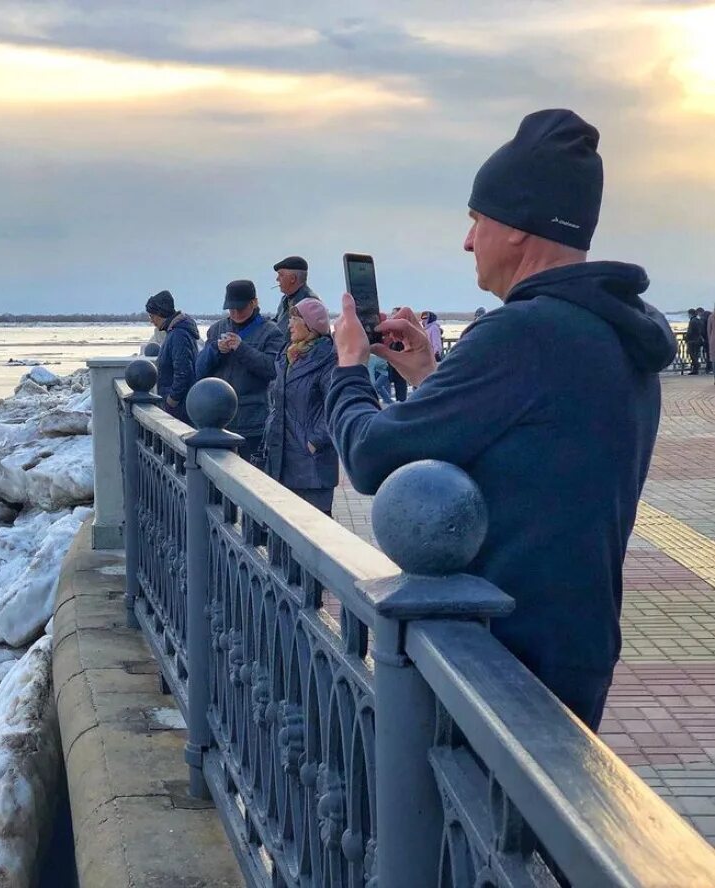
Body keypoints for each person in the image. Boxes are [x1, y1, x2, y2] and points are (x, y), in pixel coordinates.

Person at [326, 109, 676, 731]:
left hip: (499, 657)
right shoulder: (618, 332)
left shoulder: (523, 334)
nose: (467, 242)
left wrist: (350, 367)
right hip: (577, 643)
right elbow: (538, 454)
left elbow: (371, 457)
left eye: (475, 221)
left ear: (517, 229)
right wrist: (430, 378)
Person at [262, 298, 340, 514]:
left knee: (314, 534)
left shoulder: (327, 359)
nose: (289, 324)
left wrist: (314, 441)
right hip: (281, 459)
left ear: (310, 325)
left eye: (294, 319)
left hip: (312, 466)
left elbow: (335, 406)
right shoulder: (287, 356)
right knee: (283, 530)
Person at [196, 280, 285, 462]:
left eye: (240, 308)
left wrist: (241, 348)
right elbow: (199, 370)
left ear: (254, 303)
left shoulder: (270, 332)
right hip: (218, 420)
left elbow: (272, 369)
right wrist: (215, 351)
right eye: (231, 309)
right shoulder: (216, 329)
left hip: (252, 422)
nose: (235, 313)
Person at [145, 290, 199, 423]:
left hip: (179, 408)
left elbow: (183, 372)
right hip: (180, 405)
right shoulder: (175, 332)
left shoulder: (178, 335)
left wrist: (170, 402)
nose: (151, 320)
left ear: (161, 313)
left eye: (152, 316)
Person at [271, 256, 319, 339]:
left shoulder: (309, 305)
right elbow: (277, 323)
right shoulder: (285, 299)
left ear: (293, 279)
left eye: (280, 275)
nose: (277, 279)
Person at [685, 308, 704, 375]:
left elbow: (690, 332)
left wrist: (686, 338)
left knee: (693, 355)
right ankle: (696, 369)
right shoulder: (698, 320)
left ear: (690, 314)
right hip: (698, 340)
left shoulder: (692, 321)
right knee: (696, 354)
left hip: (692, 341)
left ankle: (695, 368)